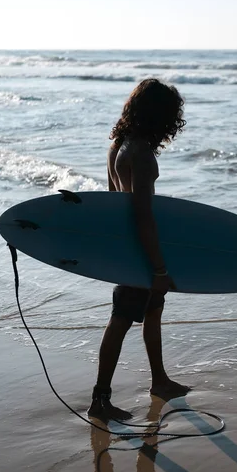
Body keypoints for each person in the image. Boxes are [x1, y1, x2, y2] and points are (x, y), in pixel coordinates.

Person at [88, 79, 190, 421]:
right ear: (161, 116)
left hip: (130, 246)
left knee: (153, 310)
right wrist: (158, 268)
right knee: (121, 319)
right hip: (140, 251)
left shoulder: (118, 144)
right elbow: (142, 214)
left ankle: (159, 380)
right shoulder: (142, 155)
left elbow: (113, 202)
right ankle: (100, 399)